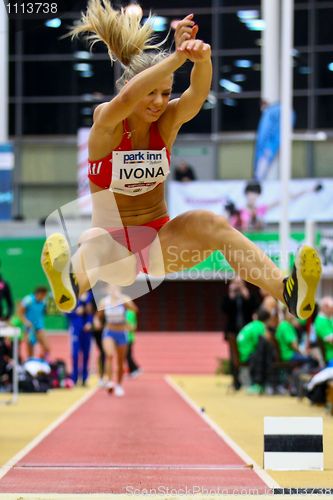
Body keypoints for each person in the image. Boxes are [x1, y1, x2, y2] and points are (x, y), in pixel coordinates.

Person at [41, 1, 321, 325]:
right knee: (95, 241)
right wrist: (176, 58)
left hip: (160, 245)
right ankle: (69, 286)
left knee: (209, 222)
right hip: (115, 249)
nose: (160, 102)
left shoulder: (166, 123)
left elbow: (196, 96)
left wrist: (202, 60)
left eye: (165, 93)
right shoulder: (107, 122)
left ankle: (290, 292)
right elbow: (128, 100)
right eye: (152, 94)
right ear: (132, 88)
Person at [94, 285, 138, 396]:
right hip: (109, 331)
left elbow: (135, 309)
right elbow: (97, 316)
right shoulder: (105, 302)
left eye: (116, 288)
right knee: (109, 355)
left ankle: (118, 385)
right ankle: (109, 382)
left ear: (119, 289)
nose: (114, 290)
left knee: (120, 361)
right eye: (111, 288)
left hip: (122, 332)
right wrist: (97, 322)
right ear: (108, 290)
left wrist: (124, 302)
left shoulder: (124, 299)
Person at [67, 290, 94, 386]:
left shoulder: (90, 295)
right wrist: (75, 312)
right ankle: (74, 377)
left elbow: (91, 311)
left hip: (86, 329)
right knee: (75, 354)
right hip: (75, 328)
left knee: (86, 353)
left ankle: (84, 378)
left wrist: (90, 322)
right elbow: (66, 312)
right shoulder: (71, 295)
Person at [18, 286, 50, 359]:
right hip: (29, 328)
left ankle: (42, 362)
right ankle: (31, 363)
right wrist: (26, 322)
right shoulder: (28, 300)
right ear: (39, 293)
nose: (44, 297)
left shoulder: (44, 301)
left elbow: (45, 312)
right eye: (43, 295)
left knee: (47, 348)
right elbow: (20, 313)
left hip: (39, 327)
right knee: (30, 350)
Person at [314, 296, 333, 367]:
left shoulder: (329, 318)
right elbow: (331, 340)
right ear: (325, 307)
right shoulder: (320, 321)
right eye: (332, 308)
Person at [126, 303, 142, 377]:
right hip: (125, 337)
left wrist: (126, 326)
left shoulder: (131, 313)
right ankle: (133, 369)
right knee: (127, 355)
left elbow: (133, 326)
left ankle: (135, 369)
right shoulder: (124, 311)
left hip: (129, 337)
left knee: (127, 355)